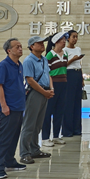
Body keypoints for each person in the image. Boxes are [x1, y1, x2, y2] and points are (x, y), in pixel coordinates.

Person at [0, 38, 28, 179]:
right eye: (17, 47)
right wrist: (4, 105)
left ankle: (9, 161)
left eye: (21, 46)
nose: (20, 48)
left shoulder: (19, 64)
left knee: (14, 136)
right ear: (9, 50)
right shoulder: (3, 65)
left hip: (19, 106)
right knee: (5, 138)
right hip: (9, 107)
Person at [20, 36, 54, 164]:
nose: (42, 45)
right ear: (32, 46)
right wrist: (44, 92)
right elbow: (30, 80)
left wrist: (51, 89)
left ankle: (34, 149)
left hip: (45, 92)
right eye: (38, 43)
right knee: (29, 124)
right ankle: (24, 153)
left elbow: (48, 74)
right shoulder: (29, 61)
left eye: (42, 43)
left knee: (38, 124)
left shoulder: (44, 59)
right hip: (35, 93)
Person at [42, 32, 69, 146]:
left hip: (63, 84)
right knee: (48, 111)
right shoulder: (50, 55)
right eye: (62, 40)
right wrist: (51, 87)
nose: (64, 42)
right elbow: (47, 73)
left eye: (65, 39)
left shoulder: (65, 54)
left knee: (60, 111)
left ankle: (56, 136)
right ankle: (45, 138)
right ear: (56, 41)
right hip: (53, 85)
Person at [63, 30, 85, 137]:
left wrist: (82, 78)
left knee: (77, 102)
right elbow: (63, 65)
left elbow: (79, 64)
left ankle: (77, 129)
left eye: (76, 37)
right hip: (69, 74)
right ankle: (67, 130)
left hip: (77, 74)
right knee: (68, 102)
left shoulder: (78, 49)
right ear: (68, 38)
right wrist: (73, 59)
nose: (75, 39)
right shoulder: (64, 50)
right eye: (73, 37)